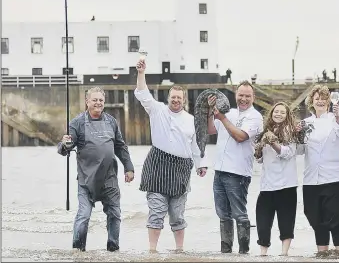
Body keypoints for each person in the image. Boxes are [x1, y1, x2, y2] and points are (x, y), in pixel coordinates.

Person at [134, 57, 208, 253]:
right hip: (158, 166)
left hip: (181, 170)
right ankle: (152, 251)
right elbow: (142, 93)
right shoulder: (157, 110)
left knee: (177, 215)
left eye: (179, 98)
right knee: (156, 212)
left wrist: (201, 164)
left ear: (184, 99)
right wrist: (141, 73)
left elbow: (197, 145)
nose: (175, 100)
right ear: (168, 97)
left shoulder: (192, 120)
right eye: (173, 97)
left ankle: (180, 250)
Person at [57, 86, 135, 252]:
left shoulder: (111, 122)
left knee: (114, 214)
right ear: (87, 101)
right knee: (83, 216)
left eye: (101, 100)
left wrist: (129, 167)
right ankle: (78, 251)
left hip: (109, 180)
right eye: (94, 100)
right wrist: (64, 144)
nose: (98, 103)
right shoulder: (77, 123)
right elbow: (65, 149)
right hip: (86, 180)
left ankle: (113, 249)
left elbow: (120, 147)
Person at [207, 80, 264, 254]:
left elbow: (240, 136)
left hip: (238, 173)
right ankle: (226, 252)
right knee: (223, 215)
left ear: (253, 97)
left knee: (239, 214)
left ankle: (243, 253)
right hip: (220, 170)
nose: (244, 99)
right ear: (235, 95)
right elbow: (210, 130)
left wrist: (221, 118)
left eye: (248, 96)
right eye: (241, 95)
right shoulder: (229, 113)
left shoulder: (255, 117)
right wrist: (211, 111)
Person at [296, 84, 339, 256]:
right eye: (317, 98)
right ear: (311, 102)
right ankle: (322, 255)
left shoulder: (335, 119)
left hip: (335, 178)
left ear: (329, 101)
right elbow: (299, 151)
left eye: (323, 98)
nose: (320, 100)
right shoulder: (305, 123)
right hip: (311, 180)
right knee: (314, 217)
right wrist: (297, 136)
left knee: (336, 218)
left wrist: (337, 117)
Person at [253, 102, 300, 256]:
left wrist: (273, 142)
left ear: (287, 116)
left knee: (286, 221)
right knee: (262, 221)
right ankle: (263, 254)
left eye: (282, 112)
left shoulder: (291, 132)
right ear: (271, 113)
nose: (278, 114)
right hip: (267, 185)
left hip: (286, 184)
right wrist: (259, 149)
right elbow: (259, 160)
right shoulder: (264, 132)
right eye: (276, 111)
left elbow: (288, 153)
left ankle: (284, 254)